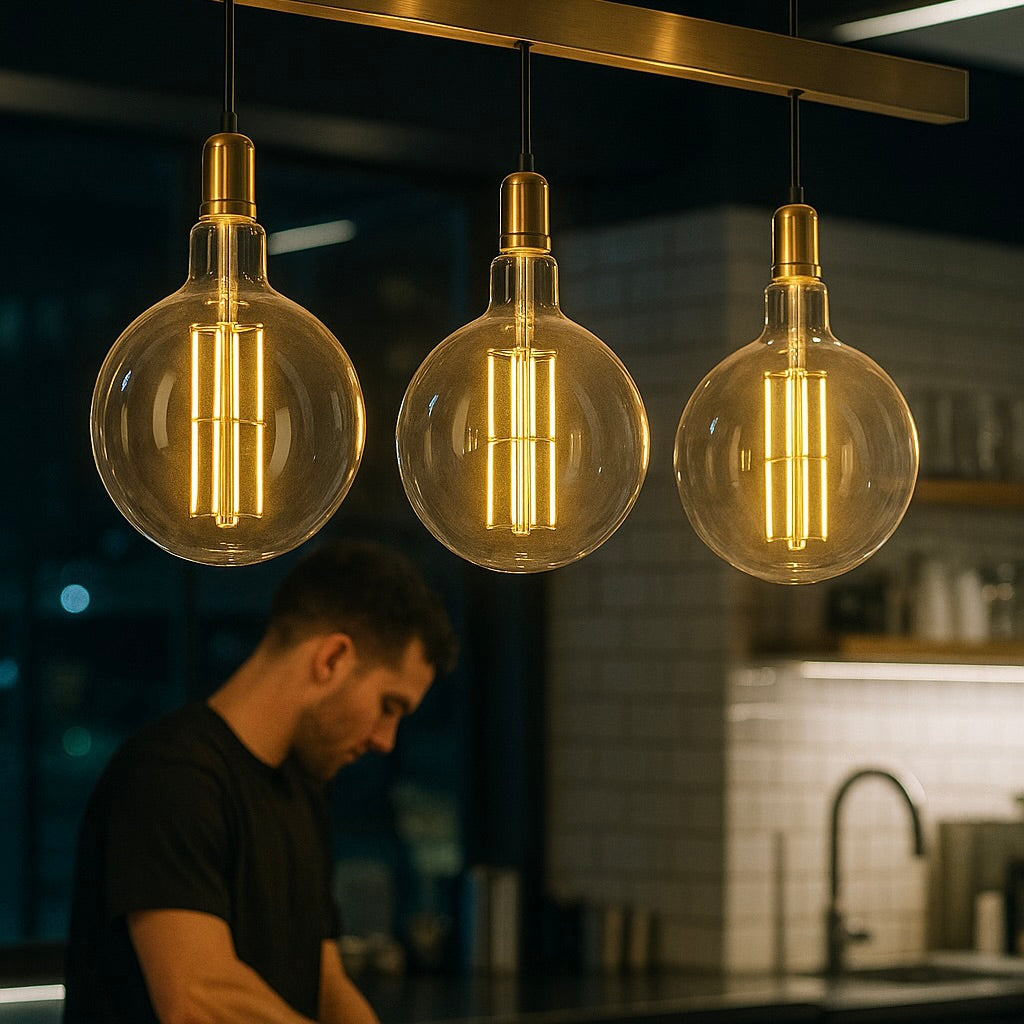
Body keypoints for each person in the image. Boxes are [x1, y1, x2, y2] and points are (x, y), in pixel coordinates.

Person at [64, 539, 457, 1024]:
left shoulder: (302, 789)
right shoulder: (171, 776)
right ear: (331, 659)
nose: (386, 740)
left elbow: (327, 982)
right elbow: (200, 1001)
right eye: (388, 706)